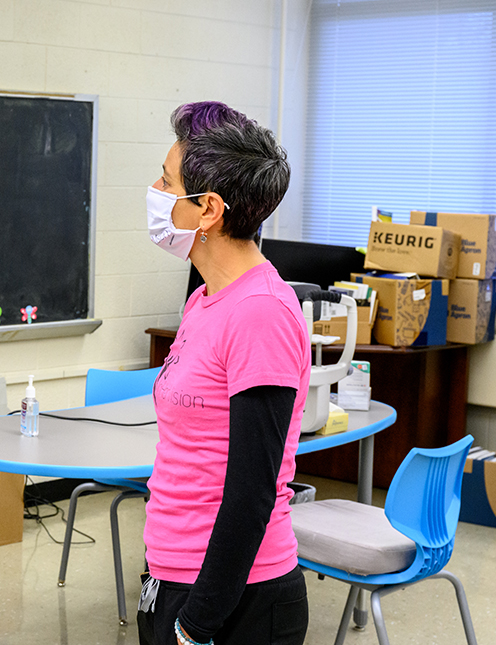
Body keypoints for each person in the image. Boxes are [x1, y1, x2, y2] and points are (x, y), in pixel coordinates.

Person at [138, 101, 311, 645]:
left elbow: (252, 487)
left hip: (236, 600)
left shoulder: (261, 312)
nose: (156, 190)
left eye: (168, 181)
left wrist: (197, 623)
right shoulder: (207, 299)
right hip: (175, 572)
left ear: (208, 209)